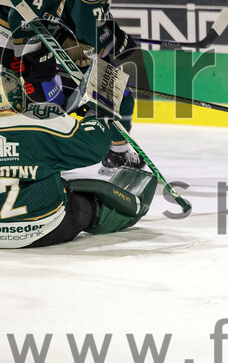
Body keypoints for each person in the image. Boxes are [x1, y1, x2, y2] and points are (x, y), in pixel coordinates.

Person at [0, 69, 158, 248]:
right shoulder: (40, 123)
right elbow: (93, 147)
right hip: (50, 231)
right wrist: (96, 113)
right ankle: (133, 209)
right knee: (86, 202)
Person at [64, 0, 143, 173]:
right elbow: (86, 25)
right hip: (71, 52)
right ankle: (114, 157)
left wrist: (116, 35)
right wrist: (110, 46)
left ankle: (115, 154)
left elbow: (98, 17)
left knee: (118, 98)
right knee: (119, 98)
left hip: (68, 47)